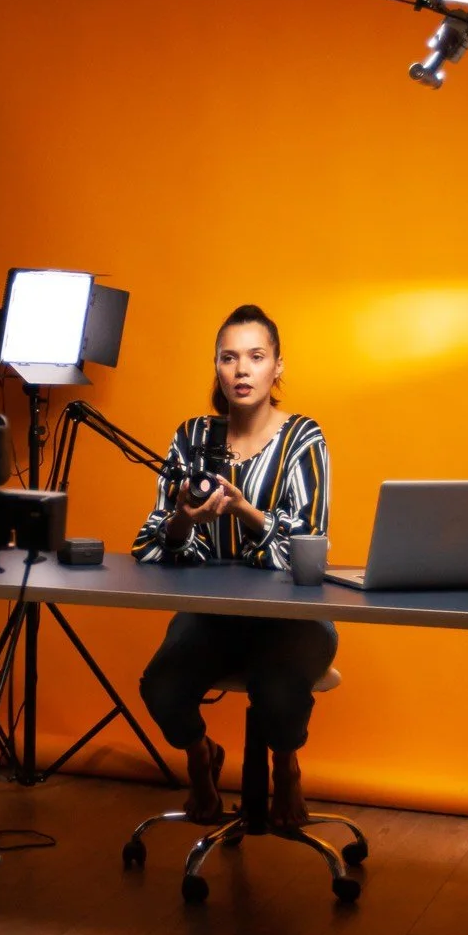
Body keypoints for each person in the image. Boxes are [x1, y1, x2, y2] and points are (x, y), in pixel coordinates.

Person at [134, 304, 335, 827]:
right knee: (162, 686)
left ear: (277, 367)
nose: (242, 370)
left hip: (291, 621)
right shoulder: (191, 438)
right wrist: (182, 518)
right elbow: (153, 545)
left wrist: (245, 510)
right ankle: (202, 758)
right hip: (213, 617)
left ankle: (285, 768)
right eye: (229, 358)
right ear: (217, 368)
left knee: (276, 691)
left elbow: (307, 551)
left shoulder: (304, 439)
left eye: (256, 356)